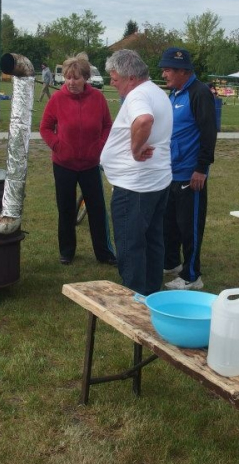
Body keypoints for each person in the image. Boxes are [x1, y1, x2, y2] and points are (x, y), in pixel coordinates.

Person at [100, 49, 173, 296]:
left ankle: (134, 298)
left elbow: (143, 120)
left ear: (130, 77)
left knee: (130, 245)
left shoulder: (137, 95)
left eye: (115, 78)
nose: (112, 82)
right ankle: (152, 294)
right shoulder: (157, 92)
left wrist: (135, 149)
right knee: (153, 240)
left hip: (135, 186)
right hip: (156, 181)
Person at [39, 56, 116, 266]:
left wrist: (99, 146)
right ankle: (67, 251)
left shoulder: (98, 99)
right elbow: (44, 128)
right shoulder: (57, 99)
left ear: (86, 78)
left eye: (76, 78)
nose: (71, 82)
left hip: (91, 164)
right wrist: (58, 146)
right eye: (67, 78)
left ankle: (104, 252)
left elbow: (107, 125)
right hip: (64, 164)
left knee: (97, 209)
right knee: (65, 209)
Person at [158, 47, 217, 290]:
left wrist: (201, 168)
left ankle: (193, 276)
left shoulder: (199, 93)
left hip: (190, 174)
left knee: (189, 227)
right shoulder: (174, 94)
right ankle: (172, 263)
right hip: (170, 172)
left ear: (183, 70)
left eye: (168, 69)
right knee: (169, 223)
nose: (164, 74)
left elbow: (208, 133)